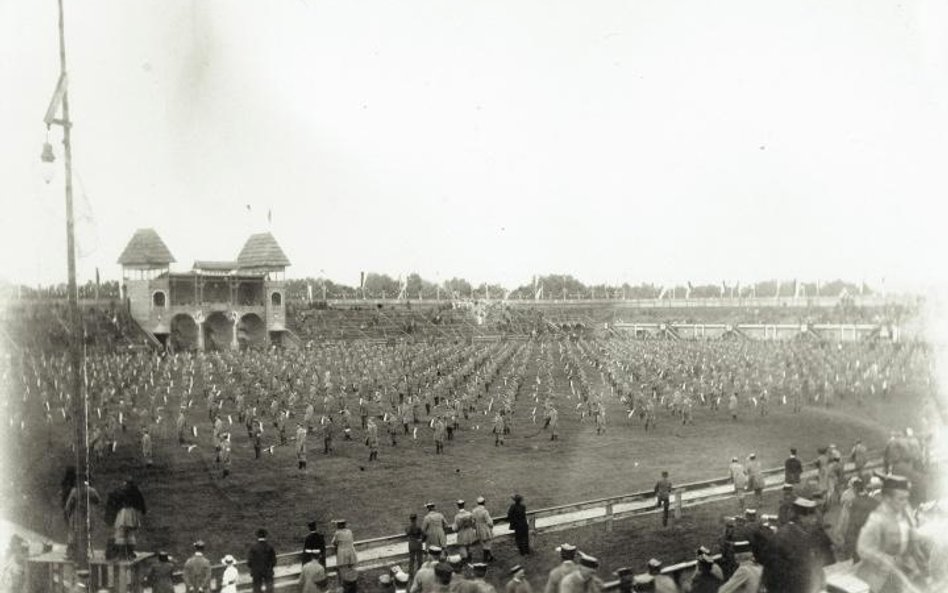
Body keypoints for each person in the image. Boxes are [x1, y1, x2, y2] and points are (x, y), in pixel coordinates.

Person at [855, 475, 925, 593]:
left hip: (905, 568)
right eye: (900, 499)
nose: (905, 502)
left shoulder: (905, 510)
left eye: (906, 498)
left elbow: (911, 532)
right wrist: (884, 559)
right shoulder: (877, 520)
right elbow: (863, 548)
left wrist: (916, 550)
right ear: (887, 499)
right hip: (884, 576)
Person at [759, 497, 825, 593]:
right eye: (811, 516)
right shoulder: (795, 536)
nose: (814, 519)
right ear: (801, 517)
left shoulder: (788, 532)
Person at [247, 528, 277, 593]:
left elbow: (249, 562)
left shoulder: (253, 547)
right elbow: (274, 561)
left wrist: (254, 568)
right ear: (265, 536)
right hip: (268, 571)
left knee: (257, 589)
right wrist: (269, 567)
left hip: (257, 572)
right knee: (269, 589)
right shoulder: (270, 547)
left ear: (257, 536)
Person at [472, 496, 495, 563]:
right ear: (484, 503)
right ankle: (485, 559)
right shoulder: (485, 511)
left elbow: (473, 521)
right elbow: (489, 522)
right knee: (487, 544)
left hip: (478, 528)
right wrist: (491, 526)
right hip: (485, 528)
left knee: (484, 543)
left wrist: (476, 527)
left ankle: (491, 556)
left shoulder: (474, 511)